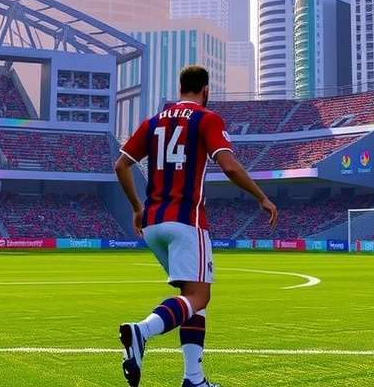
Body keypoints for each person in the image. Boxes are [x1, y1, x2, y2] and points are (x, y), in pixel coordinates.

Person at [114, 65, 277, 387]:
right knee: (200, 297)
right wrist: (262, 197)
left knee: (191, 296)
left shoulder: (152, 122)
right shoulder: (207, 118)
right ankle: (142, 331)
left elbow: (121, 165)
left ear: (180, 88)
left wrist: (136, 207)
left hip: (153, 223)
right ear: (205, 90)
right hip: (187, 220)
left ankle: (194, 378)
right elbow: (229, 166)